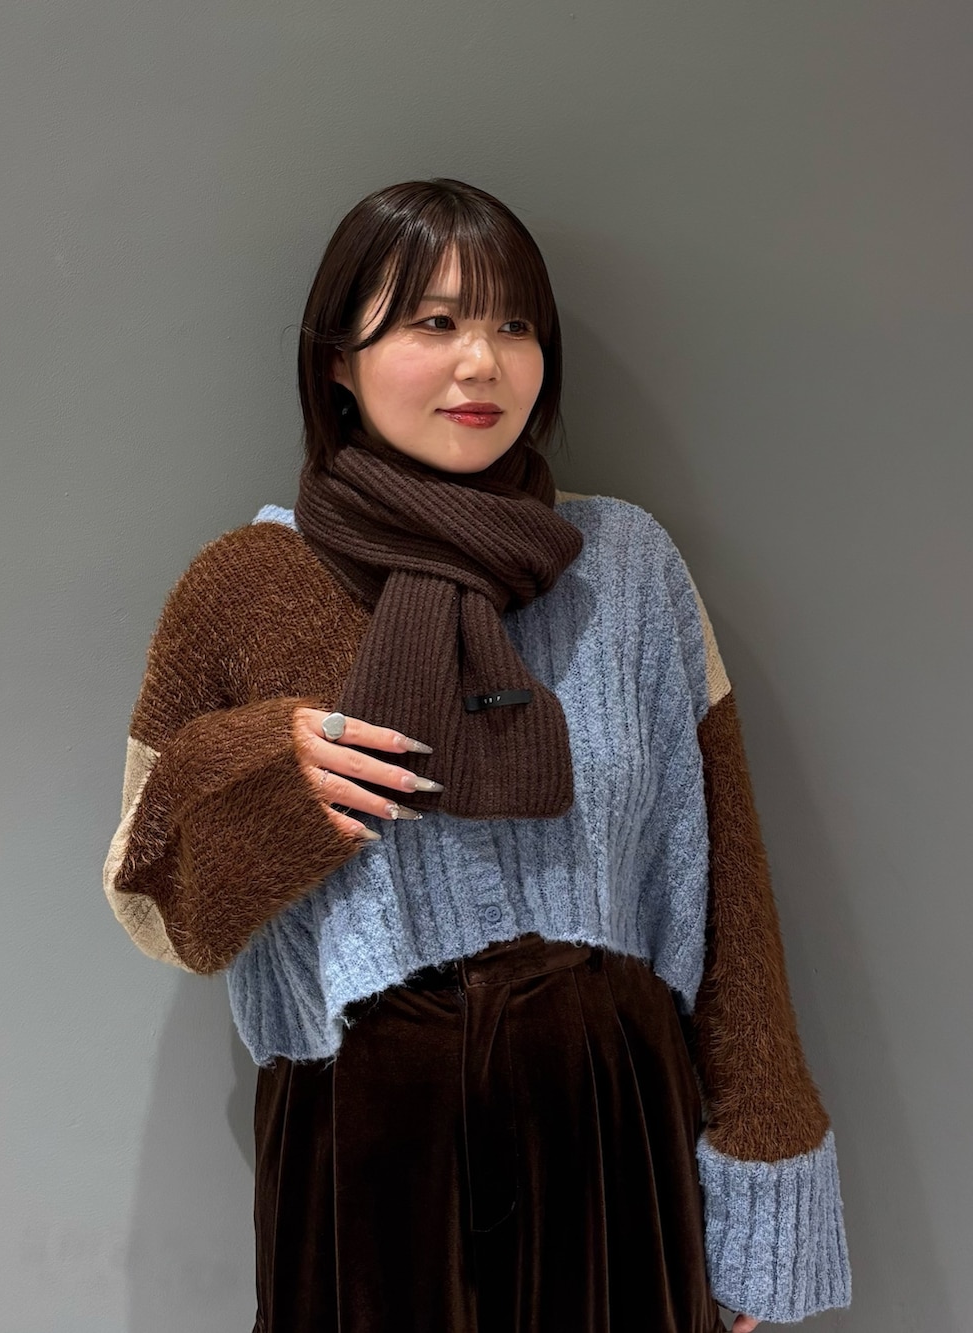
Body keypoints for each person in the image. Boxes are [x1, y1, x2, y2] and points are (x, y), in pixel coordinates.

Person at [102, 178, 851, 1332]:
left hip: (613, 1130)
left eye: (513, 324)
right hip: (366, 1146)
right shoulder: (243, 588)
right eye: (434, 321)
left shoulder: (626, 567)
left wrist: (757, 1175)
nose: (481, 362)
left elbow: (727, 897)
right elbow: (151, 905)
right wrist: (263, 783)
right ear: (338, 360)